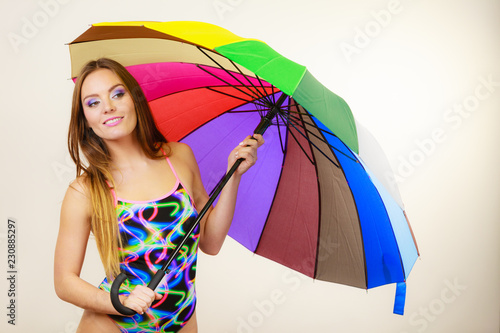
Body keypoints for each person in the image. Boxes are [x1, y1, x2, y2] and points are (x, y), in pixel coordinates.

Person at [54, 58, 264, 333]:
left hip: (182, 321)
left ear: (135, 99)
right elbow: (64, 281)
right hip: (112, 324)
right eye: (93, 103)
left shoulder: (179, 156)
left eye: (117, 93)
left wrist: (233, 174)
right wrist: (120, 301)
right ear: (86, 121)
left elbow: (210, 243)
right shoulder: (84, 191)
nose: (108, 107)